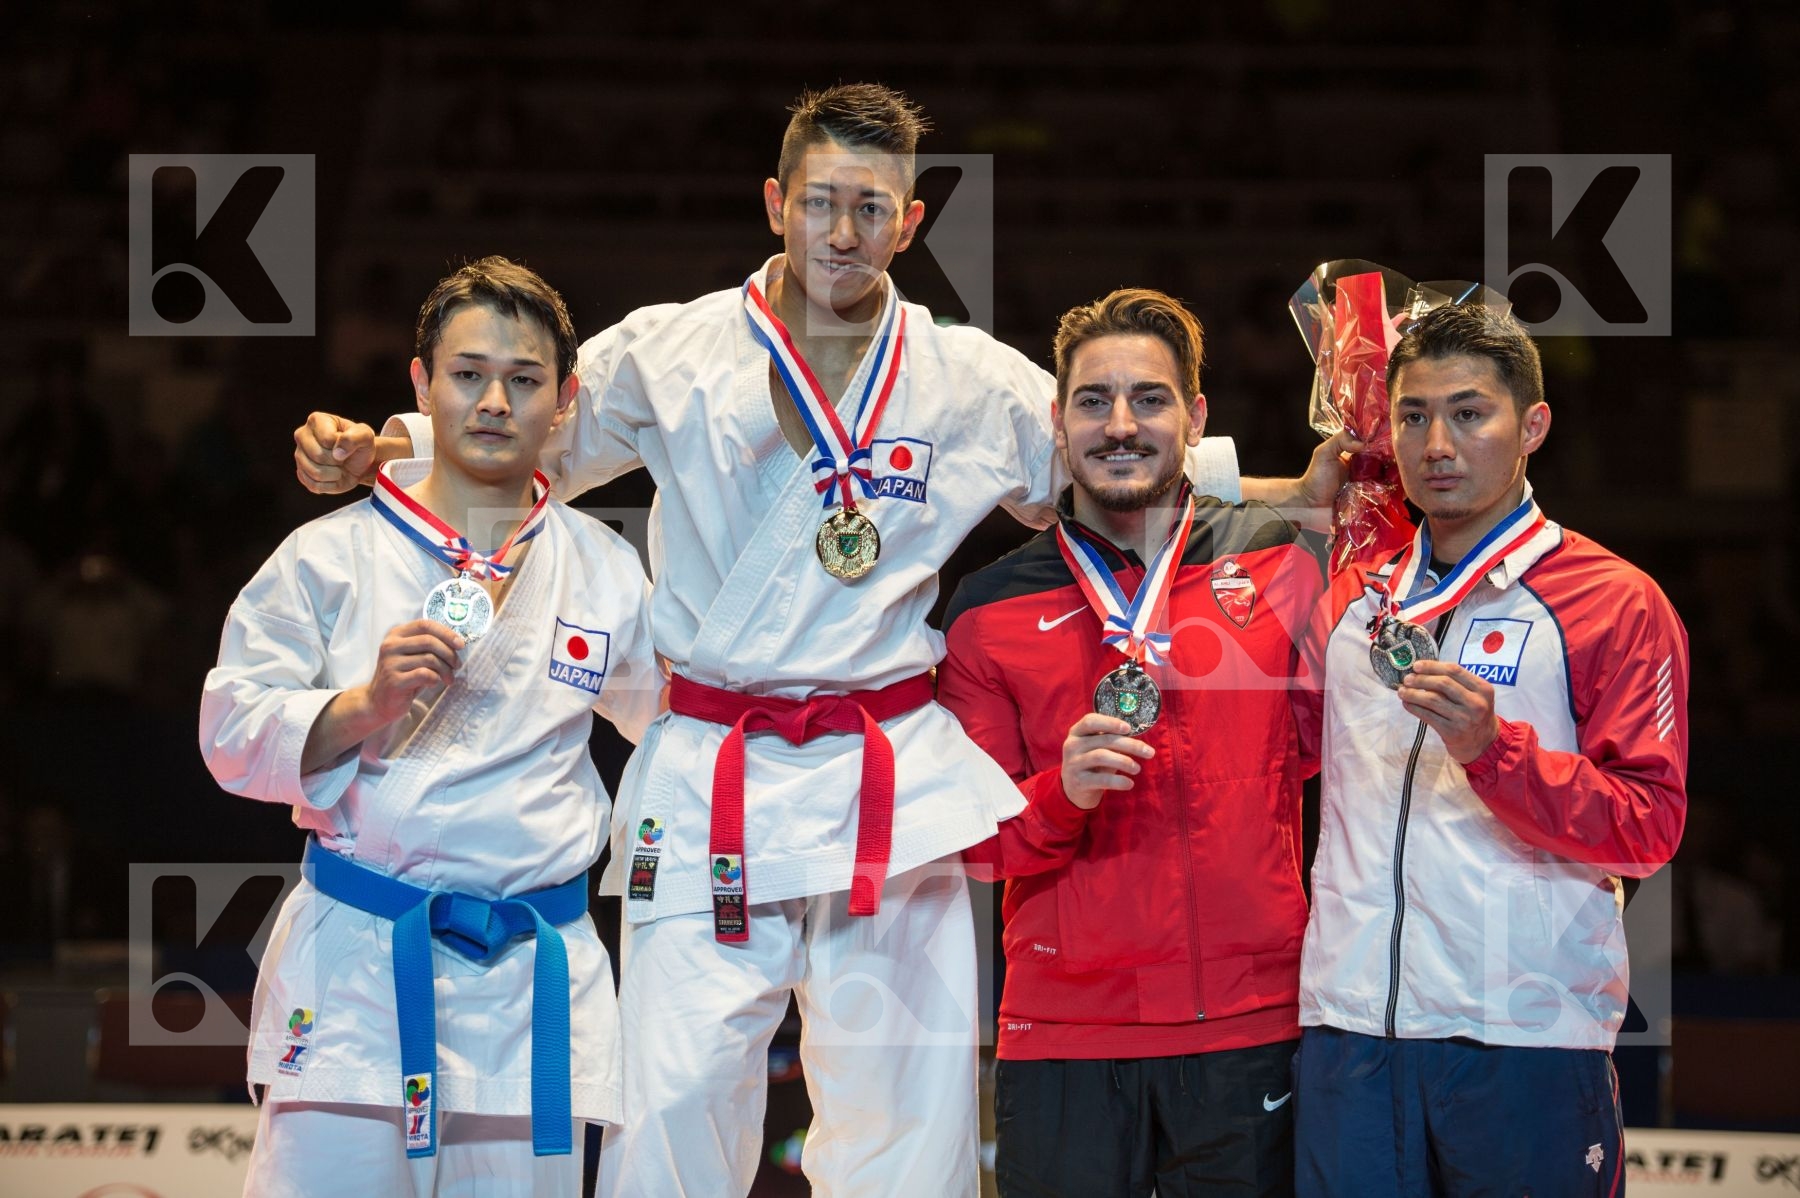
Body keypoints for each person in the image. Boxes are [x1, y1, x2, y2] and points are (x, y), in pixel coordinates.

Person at [292, 85, 1331, 1197]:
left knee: (906, 1126)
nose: (844, 231)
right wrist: (383, 448)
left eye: (872, 208)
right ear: (775, 203)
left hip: (888, 778)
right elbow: (522, 428)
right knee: (673, 1111)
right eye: (822, 202)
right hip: (712, 774)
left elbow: (1117, 454)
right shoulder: (671, 349)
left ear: (910, 223)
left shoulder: (967, 376)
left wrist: (1296, 494)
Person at [201, 257, 658, 1197]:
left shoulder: (605, 570)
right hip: (359, 976)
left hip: (533, 983)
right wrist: (360, 707)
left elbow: (680, 726)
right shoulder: (327, 557)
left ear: (564, 401)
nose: (494, 402)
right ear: (420, 385)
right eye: (467, 374)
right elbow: (228, 733)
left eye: (524, 380)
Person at [1292, 303, 1689, 1196]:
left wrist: (1492, 750)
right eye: (1413, 416)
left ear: (1532, 426)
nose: (1437, 444)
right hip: (1350, 1030)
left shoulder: (1614, 600)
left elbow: (1649, 827)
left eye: (1469, 413)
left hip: (1525, 1033)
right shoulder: (1352, 600)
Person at [939, 289, 1323, 1197]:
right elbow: (975, 844)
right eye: (1093, 401)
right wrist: (1058, 794)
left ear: (1196, 418)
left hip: (1248, 1022)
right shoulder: (988, 608)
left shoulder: (1279, 564)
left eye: (1150, 399)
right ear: (1058, 422)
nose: (1120, 424)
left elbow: (1335, 761)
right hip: (1065, 1032)